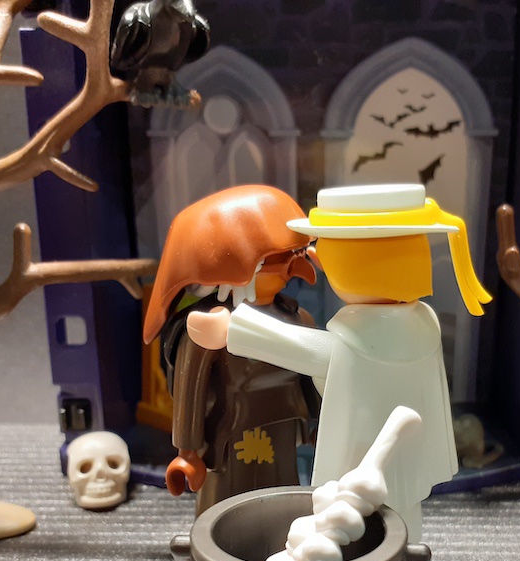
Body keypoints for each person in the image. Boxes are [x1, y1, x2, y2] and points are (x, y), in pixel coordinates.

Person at [187, 183, 491, 540]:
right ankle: (407, 556)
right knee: (406, 518)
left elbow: (300, 347)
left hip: (357, 468)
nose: (316, 260)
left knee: (354, 528)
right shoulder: (425, 323)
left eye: (329, 259)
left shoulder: (354, 340)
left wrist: (231, 329)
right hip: (408, 460)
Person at [143, 185, 319, 516]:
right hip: (231, 429)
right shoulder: (208, 328)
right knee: (225, 498)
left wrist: (319, 420)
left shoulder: (298, 318)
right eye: (278, 259)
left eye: (293, 255)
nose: (292, 266)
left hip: (283, 423)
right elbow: (190, 391)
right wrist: (187, 451)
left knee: (282, 491)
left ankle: (283, 533)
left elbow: (310, 375)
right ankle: (216, 539)